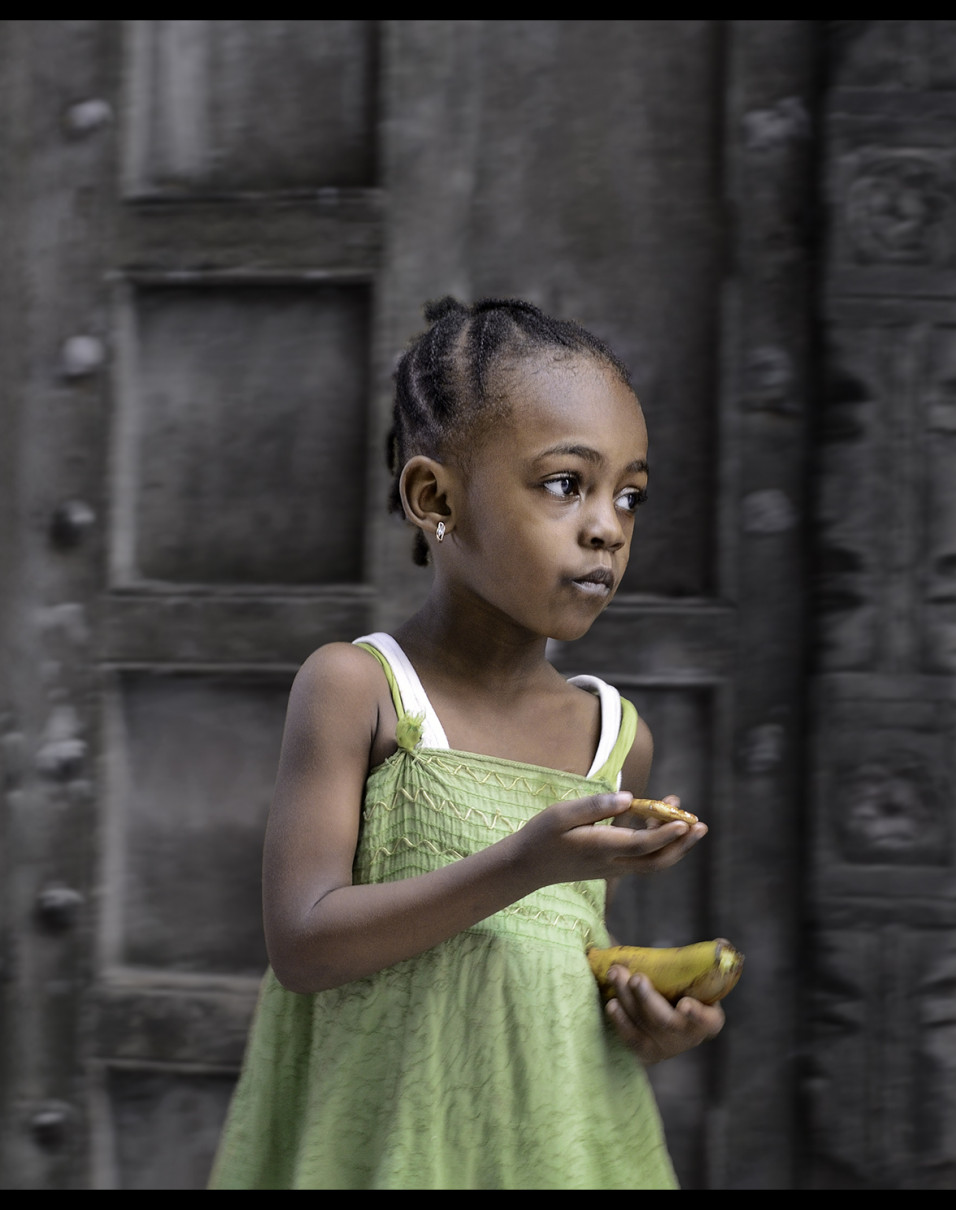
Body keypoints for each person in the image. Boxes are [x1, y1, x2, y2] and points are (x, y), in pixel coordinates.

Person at [208, 297, 723, 1189]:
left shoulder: (617, 741)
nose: (607, 526)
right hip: (392, 1147)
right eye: (567, 484)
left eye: (629, 495)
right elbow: (305, 944)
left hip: (561, 1148)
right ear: (434, 498)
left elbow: (533, 972)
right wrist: (524, 862)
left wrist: (639, 1020)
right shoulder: (358, 689)